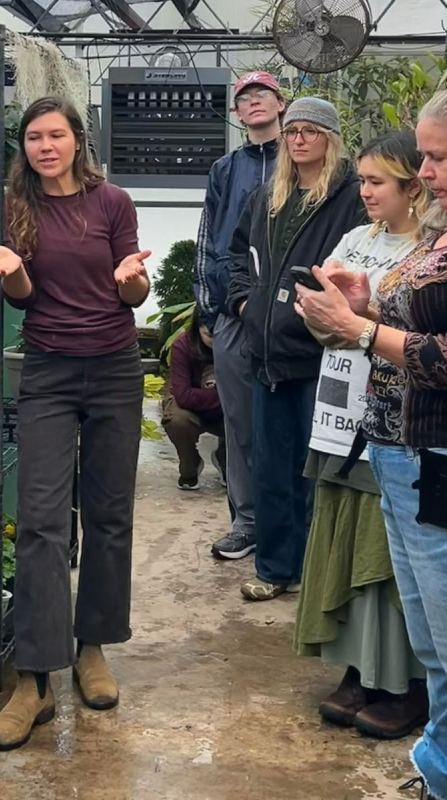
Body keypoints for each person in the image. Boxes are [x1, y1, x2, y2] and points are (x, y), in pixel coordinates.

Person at [295, 86, 447, 800]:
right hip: (391, 446)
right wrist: (366, 304)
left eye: (438, 157)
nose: (428, 170)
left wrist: (358, 331)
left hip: (443, 456)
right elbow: (418, 325)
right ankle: (444, 770)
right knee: (433, 639)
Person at [0, 96, 149, 752]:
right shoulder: (17, 206)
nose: (45, 146)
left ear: (78, 139)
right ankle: (34, 680)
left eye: (56, 134)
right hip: (46, 370)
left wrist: (130, 279)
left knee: (108, 512)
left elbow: (132, 294)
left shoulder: (113, 204)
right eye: (33, 137)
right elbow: (19, 294)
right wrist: (15, 275)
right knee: (41, 521)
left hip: (113, 370)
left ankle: (92, 648)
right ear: (24, 147)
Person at [293, 131, 428, 739]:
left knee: (388, 546)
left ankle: (402, 679)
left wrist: (354, 321)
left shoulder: (435, 248)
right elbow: (332, 326)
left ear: (413, 185)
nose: (365, 191)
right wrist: (324, 317)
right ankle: (358, 665)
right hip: (341, 409)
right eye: (364, 180)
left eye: (377, 182)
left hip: (399, 420)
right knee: (345, 534)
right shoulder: (356, 240)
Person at [226, 96, 366, 601]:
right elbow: (236, 256)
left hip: (320, 356)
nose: (300, 138)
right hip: (267, 354)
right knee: (271, 467)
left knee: (318, 471)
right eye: (293, 131)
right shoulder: (268, 196)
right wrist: (245, 305)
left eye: (312, 130)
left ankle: (319, 576)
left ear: (330, 138)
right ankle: (275, 569)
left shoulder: (349, 196)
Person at [194, 71, 285, 560]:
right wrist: (208, 306)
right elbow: (208, 237)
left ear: (280, 103)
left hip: (291, 317)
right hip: (232, 311)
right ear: (236, 113)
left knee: (290, 419)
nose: (253, 102)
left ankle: (291, 524)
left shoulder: (300, 161)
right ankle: (246, 522)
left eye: (262, 94)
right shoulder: (225, 169)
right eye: (244, 98)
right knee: (239, 422)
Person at [161, 307, 225, 490]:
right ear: (197, 328)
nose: (214, 339)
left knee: (247, 413)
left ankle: (226, 460)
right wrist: (222, 396)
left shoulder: (236, 344)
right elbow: (183, 395)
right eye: (208, 334)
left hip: (226, 411)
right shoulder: (183, 345)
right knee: (177, 420)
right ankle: (190, 466)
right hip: (192, 409)